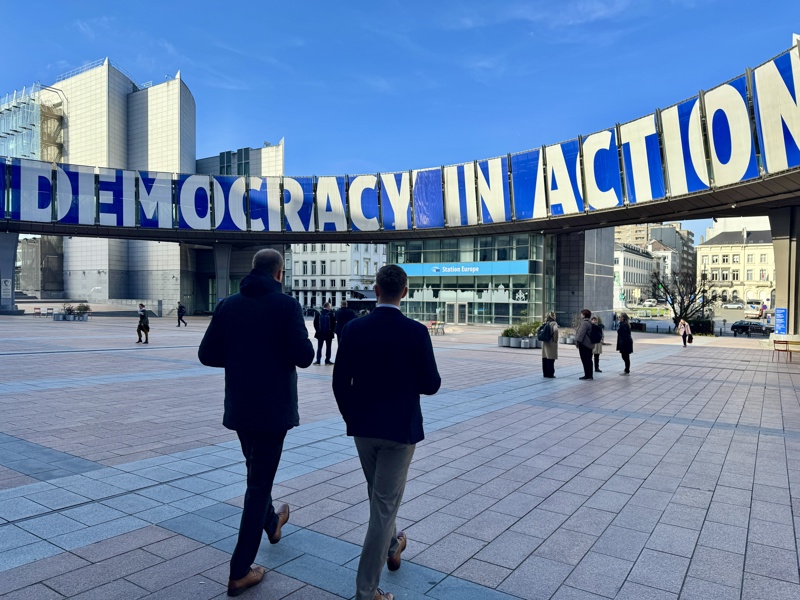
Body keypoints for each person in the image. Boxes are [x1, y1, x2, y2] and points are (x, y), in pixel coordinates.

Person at [198, 248, 314, 597]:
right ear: (279, 273)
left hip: (240, 408)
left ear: (253, 270)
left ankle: (273, 523)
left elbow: (207, 354)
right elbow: (306, 357)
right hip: (273, 411)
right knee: (258, 486)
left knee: (256, 473)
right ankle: (239, 571)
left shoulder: (228, 305)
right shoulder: (286, 306)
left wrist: (241, 358)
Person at [333, 265, 441, 600]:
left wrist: (352, 416)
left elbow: (339, 382)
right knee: (383, 506)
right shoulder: (415, 332)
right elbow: (431, 384)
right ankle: (366, 591)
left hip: (364, 428)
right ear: (404, 292)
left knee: (380, 496)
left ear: (376, 290)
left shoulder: (353, 329)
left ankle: (393, 545)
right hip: (400, 429)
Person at [574, 309, 594, 380]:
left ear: (584, 315)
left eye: (581, 314)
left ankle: (587, 375)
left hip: (584, 344)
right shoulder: (590, 322)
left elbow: (580, 334)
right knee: (589, 360)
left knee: (585, 360)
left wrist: (577, 342)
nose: (580, 315)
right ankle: (590, 375)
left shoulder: (585, 323)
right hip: (590, 345)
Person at [541, 311, 559, 378]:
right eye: (554, 315)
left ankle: (545, 373)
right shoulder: (554, 323)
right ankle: (550, 374)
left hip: (545, 342)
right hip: (551, 342)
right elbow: (556, 330)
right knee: (551, 358)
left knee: (545, 358)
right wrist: (555, 339)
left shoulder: (545, 323)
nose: (555, 316)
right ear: (552, 316)